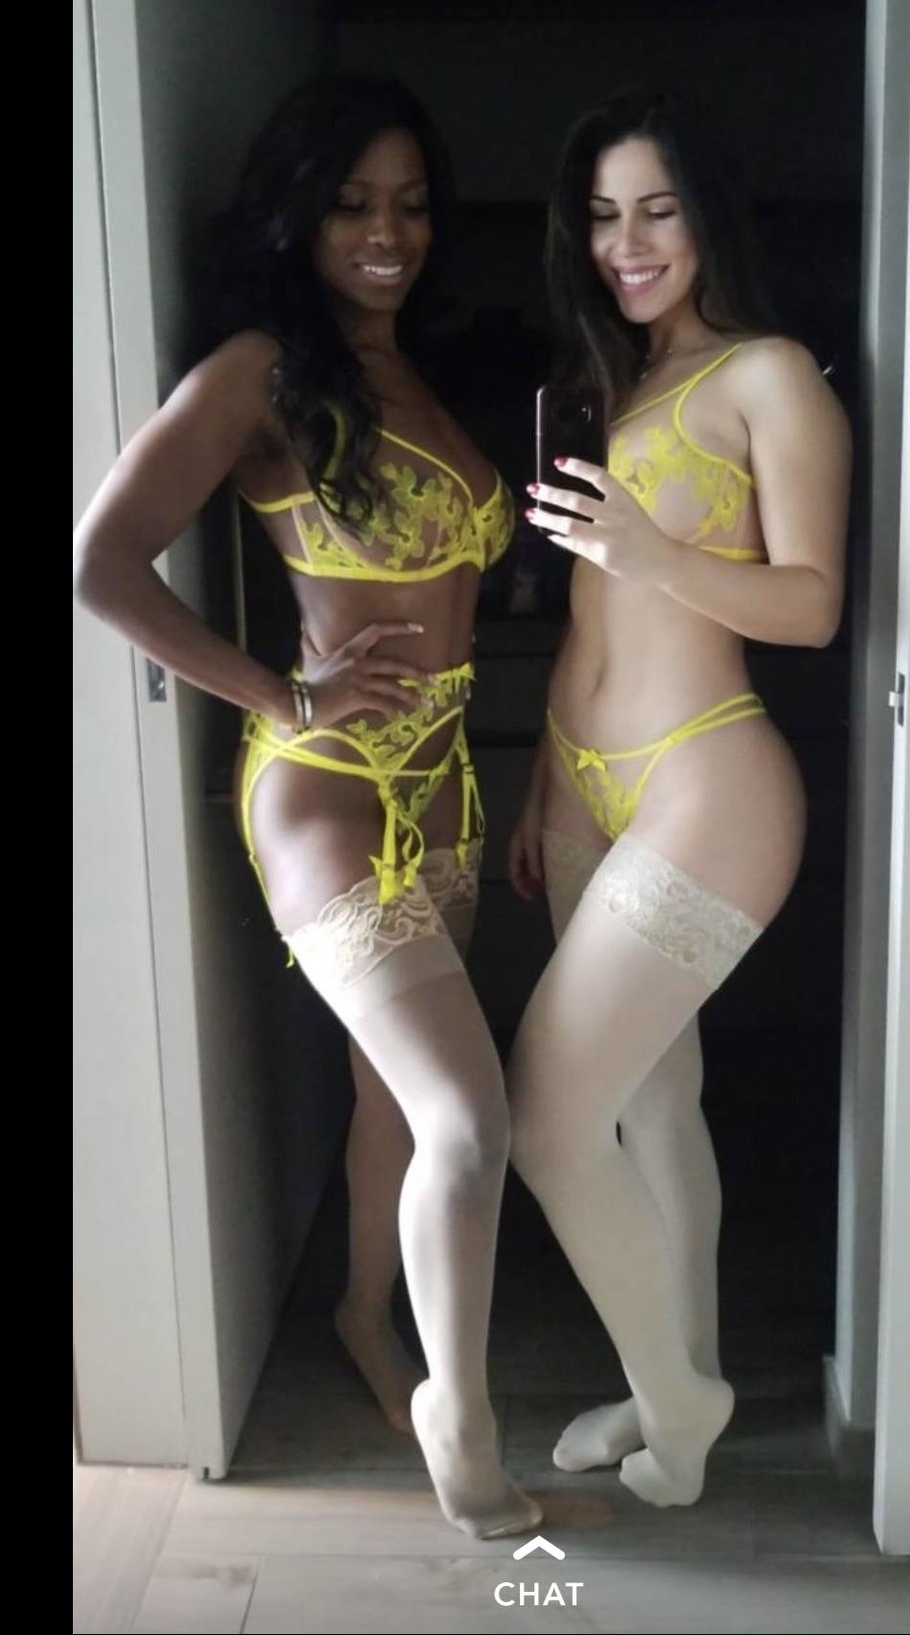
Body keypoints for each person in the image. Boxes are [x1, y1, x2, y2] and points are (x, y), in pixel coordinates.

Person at [73, 74, 541, 1541]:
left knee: (393, 1097)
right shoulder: (260, 372)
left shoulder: (415, 374)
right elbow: (100, 563)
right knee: (470, 1115)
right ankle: (464, 1429)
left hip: (447, 784)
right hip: (327, 794)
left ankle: (361, 1313)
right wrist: (280, 695)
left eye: (409, 203)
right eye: (351, 204)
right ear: (298, 215)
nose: (386, 232)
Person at [507, 87, 851, 1508]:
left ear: (706, 215)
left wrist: (652, 552)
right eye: (602, 217)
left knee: (546, 1118)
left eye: (656, 210)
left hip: (709, 773)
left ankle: (677, 1396)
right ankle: (676, 1391)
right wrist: (542, 780)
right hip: (579, 782)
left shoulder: (769, 376)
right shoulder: (612, 380)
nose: (627, 243)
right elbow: (590, 615)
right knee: (655, 1103)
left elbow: (813, 605)